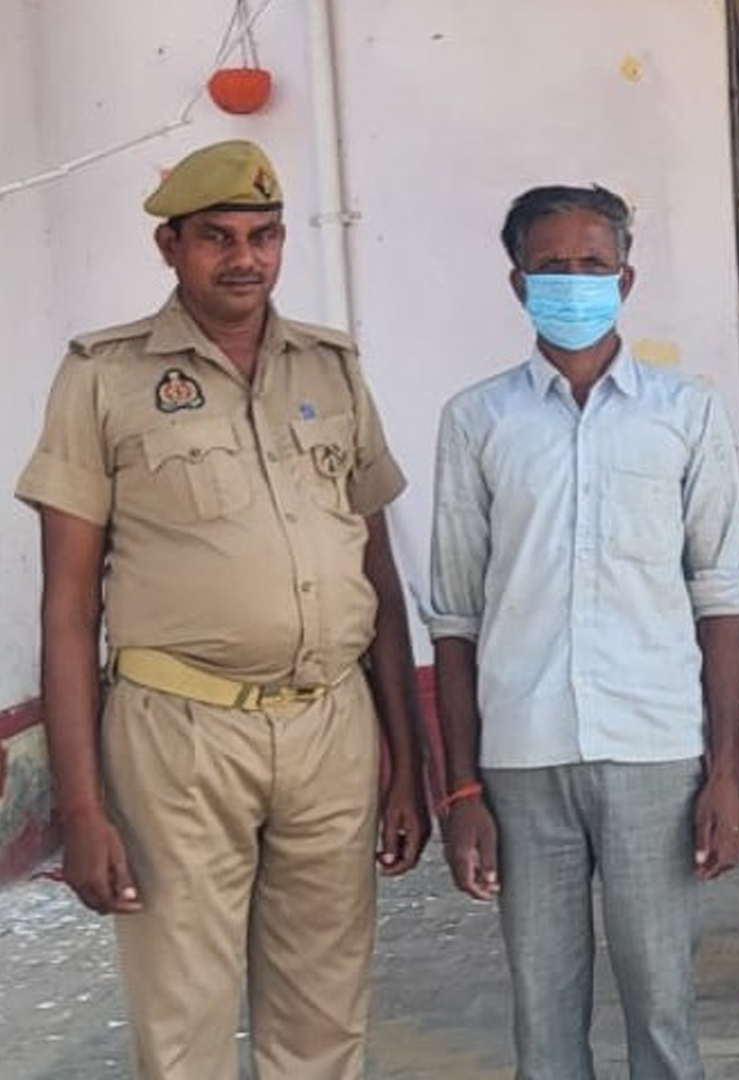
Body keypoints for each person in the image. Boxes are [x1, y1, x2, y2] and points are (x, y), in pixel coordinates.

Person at [14, 139, 428, 1080]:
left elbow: (378, 579)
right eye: (218, 237)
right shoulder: (103, 376)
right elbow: (68, 609)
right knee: (183, 1019)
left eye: (264, 235)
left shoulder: (330, 368)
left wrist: (408, 764)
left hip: (329, 726)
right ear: (170, 246)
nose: (245, 258)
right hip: (181, 735)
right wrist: (81, 807)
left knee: (325, 1017)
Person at [427, 184, 739, 1080]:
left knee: (663, 1011)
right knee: (544, 1019)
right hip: (523, 758)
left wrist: (725, 773)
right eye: (552, 267)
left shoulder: (685, 411)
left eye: (592, 265)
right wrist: (462, 790)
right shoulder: (478, 419)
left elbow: (721, 596)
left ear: (626, 278)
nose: (574, 282)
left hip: (655, 753)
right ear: (518, 282)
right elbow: (453, 616)